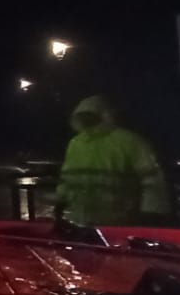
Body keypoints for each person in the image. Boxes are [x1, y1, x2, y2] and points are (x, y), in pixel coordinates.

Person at [55, 96, 171, 226]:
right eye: (83, 116)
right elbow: (67, 177)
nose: (87, 119)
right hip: (80, 220)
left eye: (90, 115)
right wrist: (60, 200)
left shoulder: (129, 141)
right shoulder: (75, 143)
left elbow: (152, 181)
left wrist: (151, 212)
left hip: (120, 221)